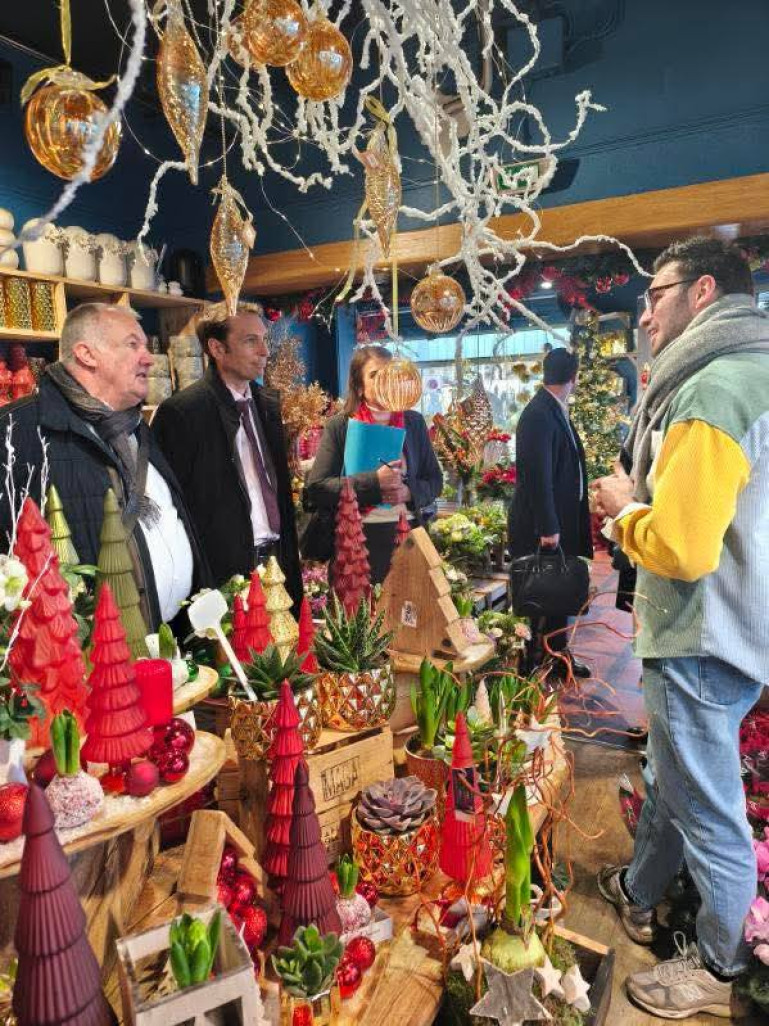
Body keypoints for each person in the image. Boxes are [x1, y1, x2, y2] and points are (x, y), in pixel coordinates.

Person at [592, 236, 769, 1020]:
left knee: (707, 809)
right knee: (674, 782)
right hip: (740, 624)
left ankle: (718, 967)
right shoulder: (754, 370)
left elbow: (683, 545)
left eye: (653, 294)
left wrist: (622, 507)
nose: (644, 313)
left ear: (701, 292)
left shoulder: (713, 389)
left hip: (701, 633)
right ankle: (638, 892)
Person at [0, 302, 206, 629]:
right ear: (86, 354)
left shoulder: (136, 427)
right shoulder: (16, 432)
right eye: (132, 344)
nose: (148, 357)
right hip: (96, 660)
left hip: (172, 643)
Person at [153, 310, 302, 609]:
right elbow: (171, 507)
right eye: (251, 341)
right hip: (224, 569)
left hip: (277, 556)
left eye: (264, 340)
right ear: (217, 349)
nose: (264, 351)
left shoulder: (267, 403)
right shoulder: (183, 413)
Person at [304, 345, 442, 584]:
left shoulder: (413, 422)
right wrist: (374, 482)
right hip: (357, 539)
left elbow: (434, 481)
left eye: (390, 373)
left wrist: (408, 491)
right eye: (375, 374)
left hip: (408, 536)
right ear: (359, 387)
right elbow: (317, 488)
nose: (384, 380)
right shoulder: (340, 426)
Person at [507, 346, 592, 677]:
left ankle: (557, 656)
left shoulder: (553, 408)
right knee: (538, 596)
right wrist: (548, 527)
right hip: (541, 526)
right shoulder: (539, 413)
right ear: (574, 377)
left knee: (556, 592)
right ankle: (530, 662)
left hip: (557, 521)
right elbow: (537, 476)